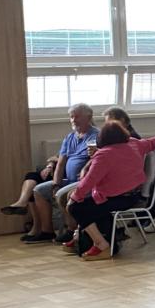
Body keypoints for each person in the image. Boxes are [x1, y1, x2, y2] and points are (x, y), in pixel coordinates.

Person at [64, 122, 155, 259]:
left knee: (75, 207)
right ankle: (79, 236)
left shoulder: (104, 155)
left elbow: (89, 180)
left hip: (116, 198)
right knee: (80, 200)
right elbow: (152, 142)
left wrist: (74, 198)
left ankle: (101, 244)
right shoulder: (134, 143)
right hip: (134, 196)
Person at [23, 103, 98, 245]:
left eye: (77, 117)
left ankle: (72, 231)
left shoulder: (97, 136)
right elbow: (61, 163)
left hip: (86, 181)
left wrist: (85, 169)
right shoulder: (70, 137)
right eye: (71, 117)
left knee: (61, 194)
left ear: (88, 117)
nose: (73, 120)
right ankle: (47, 231)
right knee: (39, 190)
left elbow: (100, 160)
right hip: (69, 180)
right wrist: (56, 184)